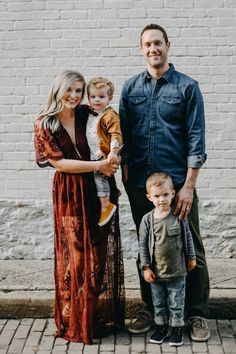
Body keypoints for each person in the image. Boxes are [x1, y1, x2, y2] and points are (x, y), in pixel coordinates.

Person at [119, 23, 210, 342]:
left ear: (168, 45)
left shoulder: (187, 87)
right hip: (141, 185)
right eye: (147, 44)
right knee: (148, 244)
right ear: (141, 49)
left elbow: (196, 139)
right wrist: (126, 176)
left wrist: (189, 185)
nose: (153, 48)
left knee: (190, 244)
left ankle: (196, 312)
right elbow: (124, 137)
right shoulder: (130, 89)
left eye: (158, 42)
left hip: (177, 186)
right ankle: (151, 308)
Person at [34, 70, 125, 344]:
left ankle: (93, 316)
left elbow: (112, 135)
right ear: (58, 90)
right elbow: (59, 163)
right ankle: (74, 318)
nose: (74, 96)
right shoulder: (44, 123)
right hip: (69, 192)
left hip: (99, 190)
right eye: (69, 90)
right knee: (75, 259)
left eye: (78, 90)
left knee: (97, 256)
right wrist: (99, 165)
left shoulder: (90, 113)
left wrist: (115, 156)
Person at [139, 172, 196, 347]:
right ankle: (161, 327)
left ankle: (177, 329)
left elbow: (187, 237)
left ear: (173, 193)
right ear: (149, 197)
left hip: (177, 271)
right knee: (159, 302)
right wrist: (146, 267)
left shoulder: (178, 216)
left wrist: (191, 257)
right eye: (157, 196)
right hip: (156, 273)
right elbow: (142, 245)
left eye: (165, 194)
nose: (161, 199)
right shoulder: (147, 220)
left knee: (176, 302)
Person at [86, 77, 123, 226]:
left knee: (99, 176)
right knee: (95, 179)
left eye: (101, 97)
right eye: (93, 96)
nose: (96, 100)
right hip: (93, 153)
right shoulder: (91, 112)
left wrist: (113, 152)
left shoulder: (109, 115)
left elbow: (116, 134)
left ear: (110, 98)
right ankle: (112, 191)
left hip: (104, 154)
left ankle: (106, 205)